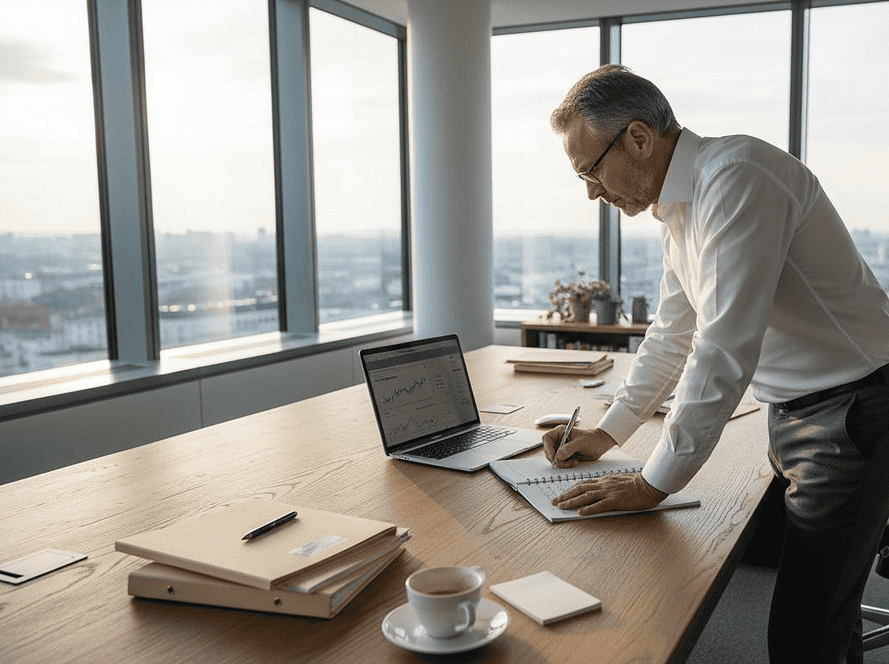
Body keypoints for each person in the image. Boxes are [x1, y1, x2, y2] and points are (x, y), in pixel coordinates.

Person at [543, 64, 889, 664]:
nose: (592, 193)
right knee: (818, 619)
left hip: (852, 411)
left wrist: (652, 482)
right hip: (804, 411)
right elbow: (671, 335)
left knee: (807, 638)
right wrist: (608, 432)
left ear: (638, 137)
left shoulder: (737, 177)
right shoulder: (681, 208)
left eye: (590, 171)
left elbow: (723, 347)